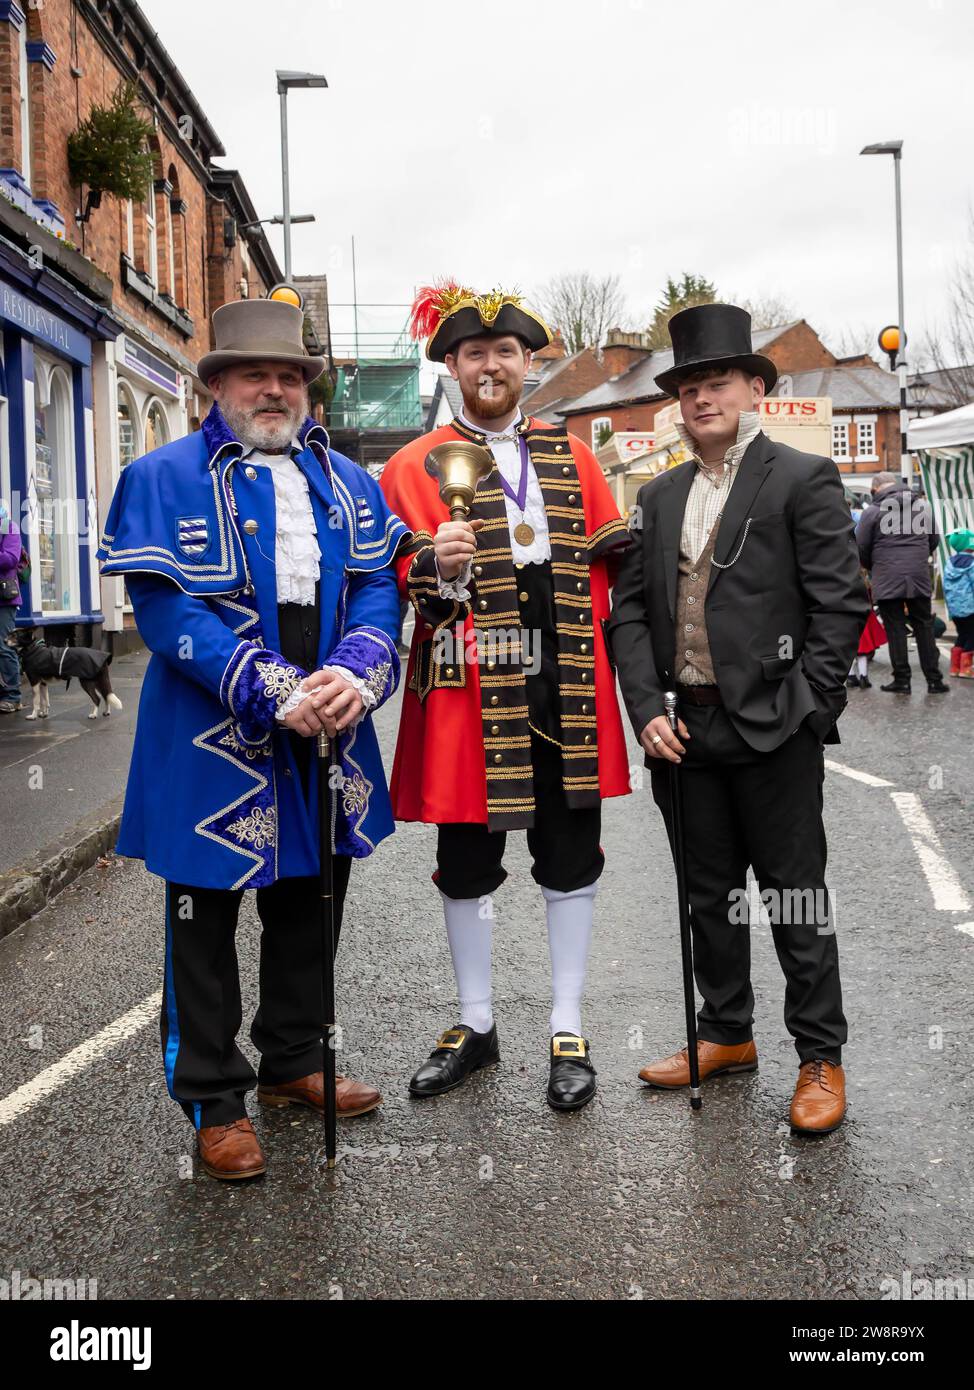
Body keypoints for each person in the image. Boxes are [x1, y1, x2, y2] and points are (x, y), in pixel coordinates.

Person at [97, 298, 408, 1180]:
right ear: (218, 384)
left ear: (306, 389)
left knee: (313, 901)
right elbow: (164, 610)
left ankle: (295, 1059)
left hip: (329, 730)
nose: (274, 390)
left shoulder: (350, 482)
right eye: (254, 375)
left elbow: (380, 586)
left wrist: (356, 669)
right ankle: (213, 1097)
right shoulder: (162, 476)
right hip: (212, 736)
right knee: (202, 918)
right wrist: (263, 685)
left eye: (289, 377)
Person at [608, 303, 868, 1135]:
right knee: (707, 896)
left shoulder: (800, 477)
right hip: (684, 731)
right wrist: (645, 711)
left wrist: (808, 711)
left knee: (794, 897)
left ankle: (820, 1057)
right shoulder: (657, 492)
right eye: (687, 387)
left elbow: (841, 605)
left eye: (716, 380)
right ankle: (726, 1034)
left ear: (756, 388)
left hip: (773, 730)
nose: (700, 398)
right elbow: (630, 615)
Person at [379, 282, 631, 1111]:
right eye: (475, 354)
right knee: (466, 863)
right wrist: (435, 569)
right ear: (451, 366)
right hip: (464, 685)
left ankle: (566, 1023)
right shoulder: (412, 466)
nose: (491, 366)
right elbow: (393, 583)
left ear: (529, 363)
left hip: (563, 678)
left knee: (569, 852)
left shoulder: (573, 454)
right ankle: (477, 1024)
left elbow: (613, 574)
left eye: (506, 353)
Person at [857, 472, 948, 693]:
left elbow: (861, 547)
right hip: (917, 576)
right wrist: (916, 557)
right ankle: (934, 680)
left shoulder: (872, 512)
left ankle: (902, 680)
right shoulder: (922, 508)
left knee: (896, 629)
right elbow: (933, 540)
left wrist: (874, 566)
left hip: (887, 577)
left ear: (876, 489)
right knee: (924, 626)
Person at [0, 499, 25, 713]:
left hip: (4, 599)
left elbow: (10, 559)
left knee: (4, 646)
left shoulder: (9, 527)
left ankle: (13, 696)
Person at [943, 529, 974, 678]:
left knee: (962, 635)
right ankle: (966, 669)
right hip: (970, 608)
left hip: (955, 609)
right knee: (972, 636)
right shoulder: (972, 563)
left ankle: (954, 667)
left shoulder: (949, 562)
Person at [846, 573, 886, 689]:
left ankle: (851, 676)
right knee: (862, 651)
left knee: (849, 650)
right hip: (863, 618)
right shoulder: (864, 581)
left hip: (847, 618)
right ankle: (864, 676)